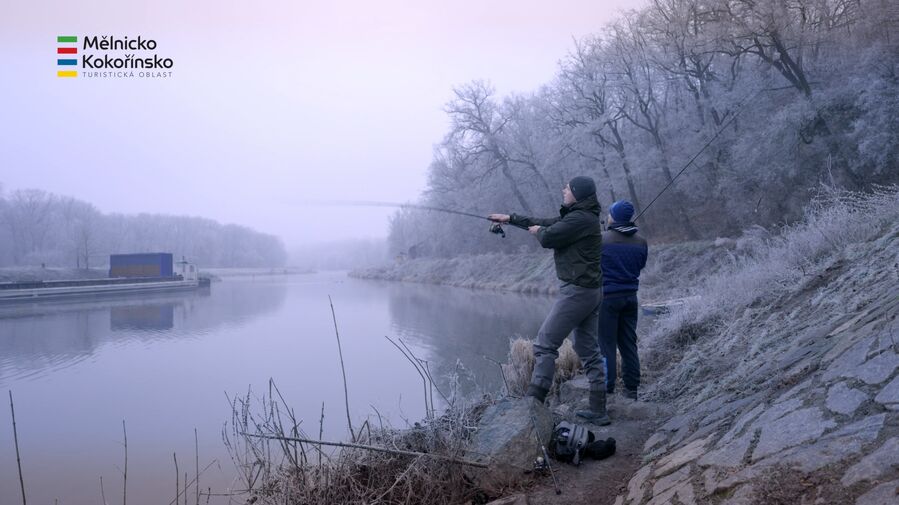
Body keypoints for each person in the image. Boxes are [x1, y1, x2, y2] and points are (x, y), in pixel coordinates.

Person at [488, 176, 610, 425]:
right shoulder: (580, 216)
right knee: (587, 349)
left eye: (568, 187)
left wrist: (538, 233)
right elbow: (544, 223)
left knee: (545, 345)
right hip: (589, 291)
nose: (564, 189)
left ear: (577, 193)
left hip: (577, 292)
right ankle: (599, 410)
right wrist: (510, 219)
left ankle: (533, 406)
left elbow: (547, 236)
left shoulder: (580, 219)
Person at [598, 200, 648, 400]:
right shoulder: (641, 241)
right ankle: (631, 389)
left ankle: (606, 389)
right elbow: (641, 265)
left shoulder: (602, 240)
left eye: (610, 213)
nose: (608, 216)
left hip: (608, 299)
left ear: (614, 216)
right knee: (628, 343)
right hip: (630, 298)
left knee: (606, 345)